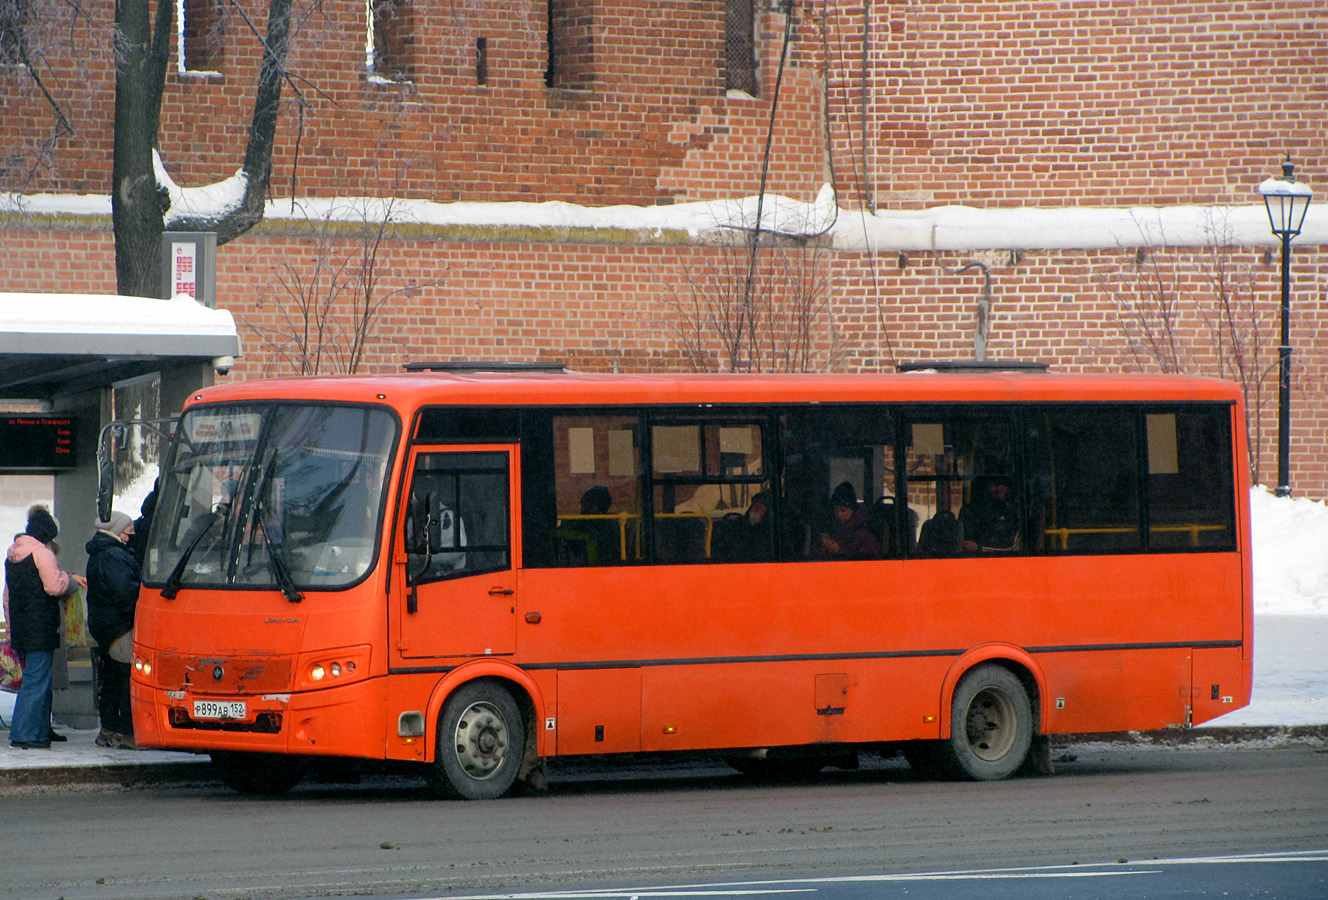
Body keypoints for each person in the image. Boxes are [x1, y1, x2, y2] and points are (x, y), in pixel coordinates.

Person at [3, 505, 87, 749]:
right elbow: (54, 587)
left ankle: (38, 732)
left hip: (22, 626)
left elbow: (7, 596)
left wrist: (11, 627)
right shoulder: (43, 553)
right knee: (36, 681)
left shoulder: (13, 554)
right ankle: (23, 733)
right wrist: (69, 580)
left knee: (37, 679)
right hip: (41, 626)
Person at [85, 511, 141, 749]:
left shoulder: (101, 553)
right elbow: (126, 592)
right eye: (129, 527)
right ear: (118, 529)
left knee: (112, 678)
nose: (132, 532)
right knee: (127, 679)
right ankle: (124, 732)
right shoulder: (114, 555)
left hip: (106, 625)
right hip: (120, 626)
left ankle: (107, 729)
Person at [818, 482, 880, 560]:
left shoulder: (864, 529)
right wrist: (826, 542)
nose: (839, 514)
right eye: (836, 510)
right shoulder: (835, 526)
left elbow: (869, 558)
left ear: (853, 510)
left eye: (843, 510)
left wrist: (840, 550)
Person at [959, 475, 1021, 552]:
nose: (993, 489)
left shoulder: (1010, 510)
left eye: (998, 485)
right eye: (992, 485)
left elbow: (1012, 546)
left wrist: (981, 548)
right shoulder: (968, 510)